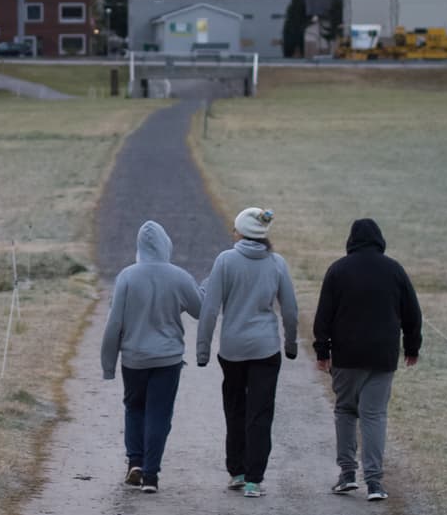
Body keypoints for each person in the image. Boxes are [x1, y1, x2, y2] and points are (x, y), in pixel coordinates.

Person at [313, 218, 422, 502]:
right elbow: (412, 313)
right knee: (374, 415)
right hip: (383, 355)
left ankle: (347, 474)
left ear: (351, 240)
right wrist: (412, 347)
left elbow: (323, 315)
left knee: (346, 411)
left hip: (347, 356)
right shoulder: (394, 270)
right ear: (379, 240)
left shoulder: (338, 270)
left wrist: (322, 351)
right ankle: (375, 482)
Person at [196, 207, 298, 499]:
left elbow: (211, 308)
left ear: (240, 232)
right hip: (266, 349)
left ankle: (237, 471)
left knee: (235, 408)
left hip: (233, 350)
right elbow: (290, 310)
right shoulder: (277, 263)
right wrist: (291, 345)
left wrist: (203, 350)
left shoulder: (225, 261)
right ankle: (255, 480)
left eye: (235, 228)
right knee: (261, 412)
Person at [100, 220, 202, 493]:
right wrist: (204, 287)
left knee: (134, 407)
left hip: (133, 358)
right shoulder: (179, 276)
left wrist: (108, 364)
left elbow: (114, 323)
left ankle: (135, 461)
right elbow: (200, 310)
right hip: (167, 359)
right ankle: (151, 476)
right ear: (166, 245)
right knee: (159, 413)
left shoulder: (126, 277)